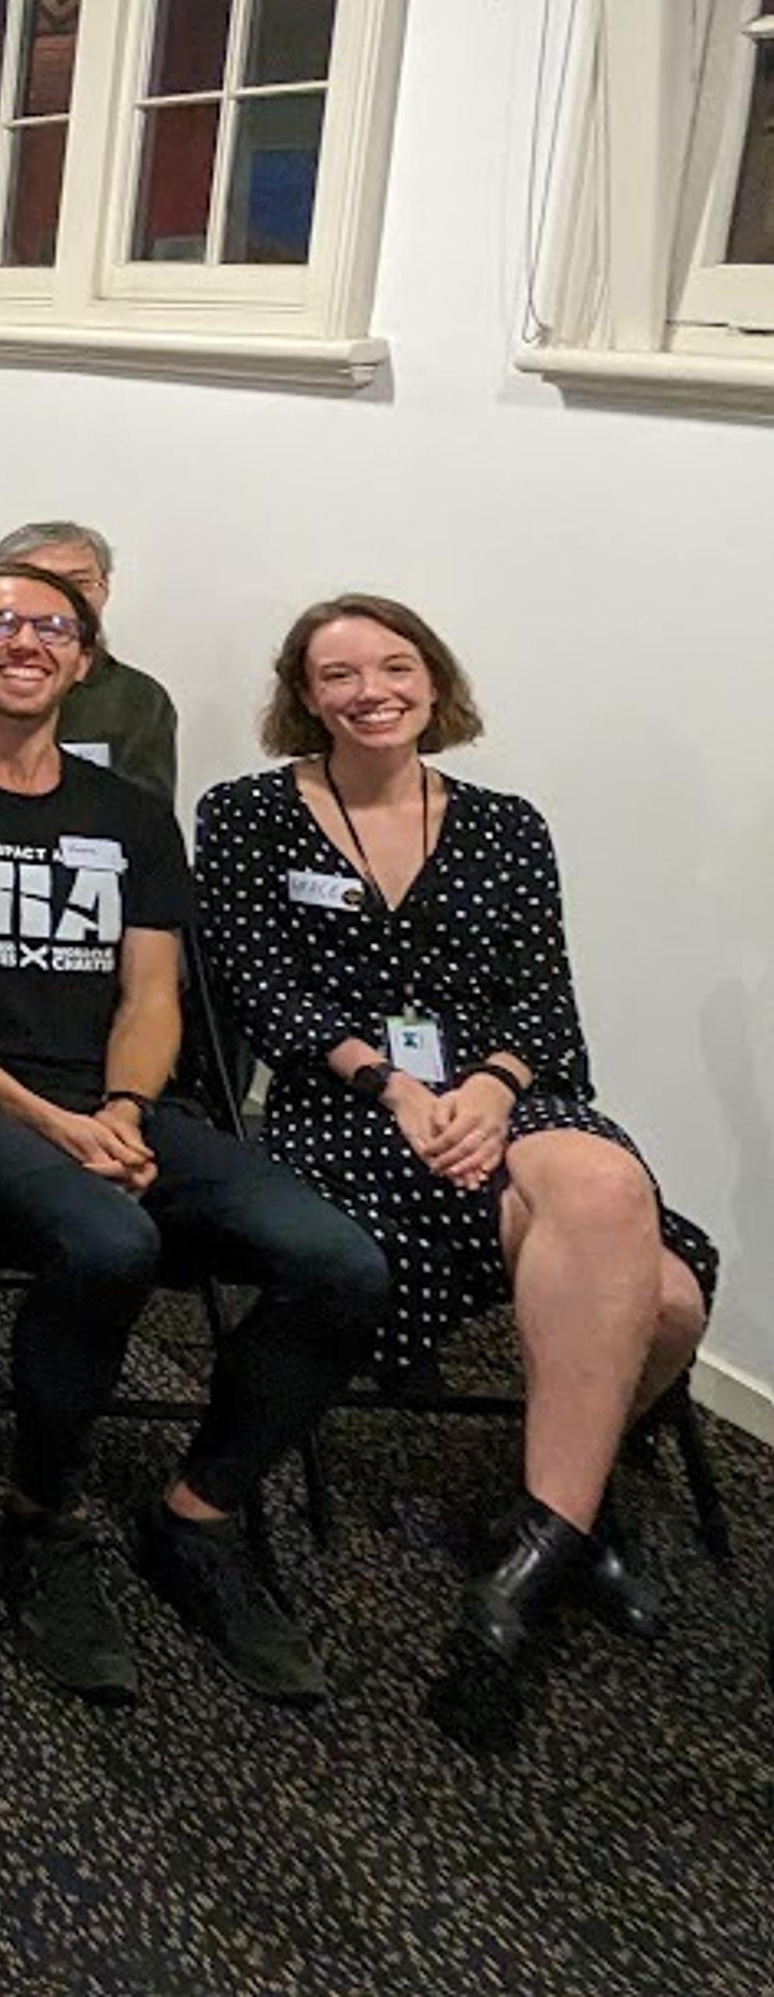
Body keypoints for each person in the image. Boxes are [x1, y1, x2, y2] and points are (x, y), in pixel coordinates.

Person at [0, 563, 388, 1707]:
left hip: (118, 1104)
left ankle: (197, 1515)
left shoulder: (128, 813)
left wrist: (125, 1110)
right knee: (107, 1242)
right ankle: (44, 1514)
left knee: (341, 1264)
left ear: (84, 661)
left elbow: (152, 995)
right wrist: (48, 1120)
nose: (24, 640)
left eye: (53, 626)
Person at [193, 594, 718, 1670]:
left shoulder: (507, 825)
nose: (371, 692)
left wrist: (490, 1087)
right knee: (656, 1299)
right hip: (345, 1103)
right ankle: (579, 1516)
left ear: (434, 681)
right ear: (305, 697)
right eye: (339, 675)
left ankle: (536, 1541)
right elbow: (262, 991)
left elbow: (545, 1000)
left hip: (504, 1092)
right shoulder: (247, 813)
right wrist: (392, 1084)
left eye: (396, 667)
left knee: (618, 1208)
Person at [0, 520, 178, 801]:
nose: (60, 600)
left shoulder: (139, 698)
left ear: (105, 588)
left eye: (79, 583)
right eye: (37, 583)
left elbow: (145, 814)